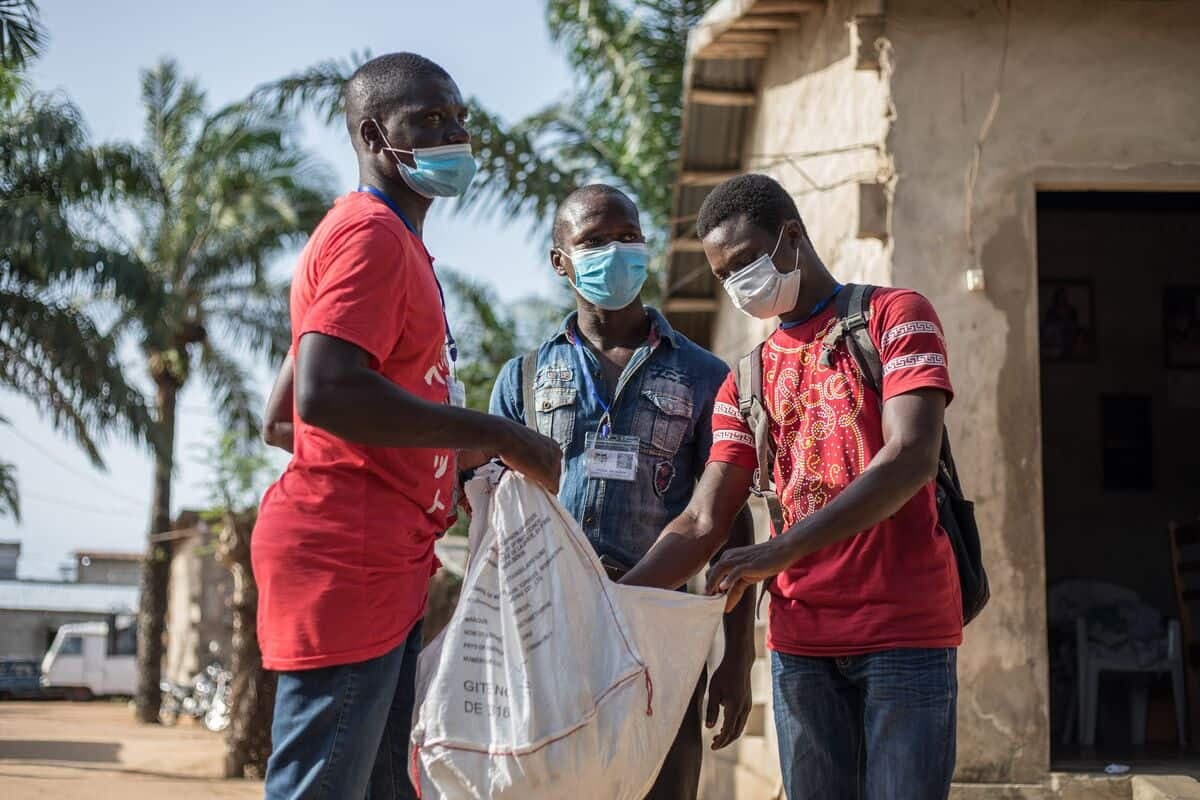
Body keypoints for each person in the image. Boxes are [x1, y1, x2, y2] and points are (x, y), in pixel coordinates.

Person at [253, 52, 561, 800]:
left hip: (380, 556)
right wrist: (501, 436)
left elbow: (281, 418)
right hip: (348, 555)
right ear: (371, 134)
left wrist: (449, 466)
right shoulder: (373, 238)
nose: (453, 133)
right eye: (428, 119)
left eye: (459, 119)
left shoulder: (384, 239)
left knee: (389, 784)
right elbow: (324, 395)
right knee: (323, 786)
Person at [620, 173, 962, 800]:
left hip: (904, 633)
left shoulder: (894, 316)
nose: (740, 282)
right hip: (800, 644)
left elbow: (911, 456)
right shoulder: (744, 380)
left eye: (749, 259)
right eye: (726, 274)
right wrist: (611, 600)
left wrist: (777, 552)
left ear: (792, 236)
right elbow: (703, 521)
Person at [488, 184, 757, 800]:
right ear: (561, 262)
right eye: (594, 241)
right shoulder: (522, 380)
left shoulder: (704, 375)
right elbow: (491, 517)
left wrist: (737, 656)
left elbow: (729, 521)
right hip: (547, 634)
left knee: (663, 784)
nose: (616, 252)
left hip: (658, 632)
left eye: (628, 237)